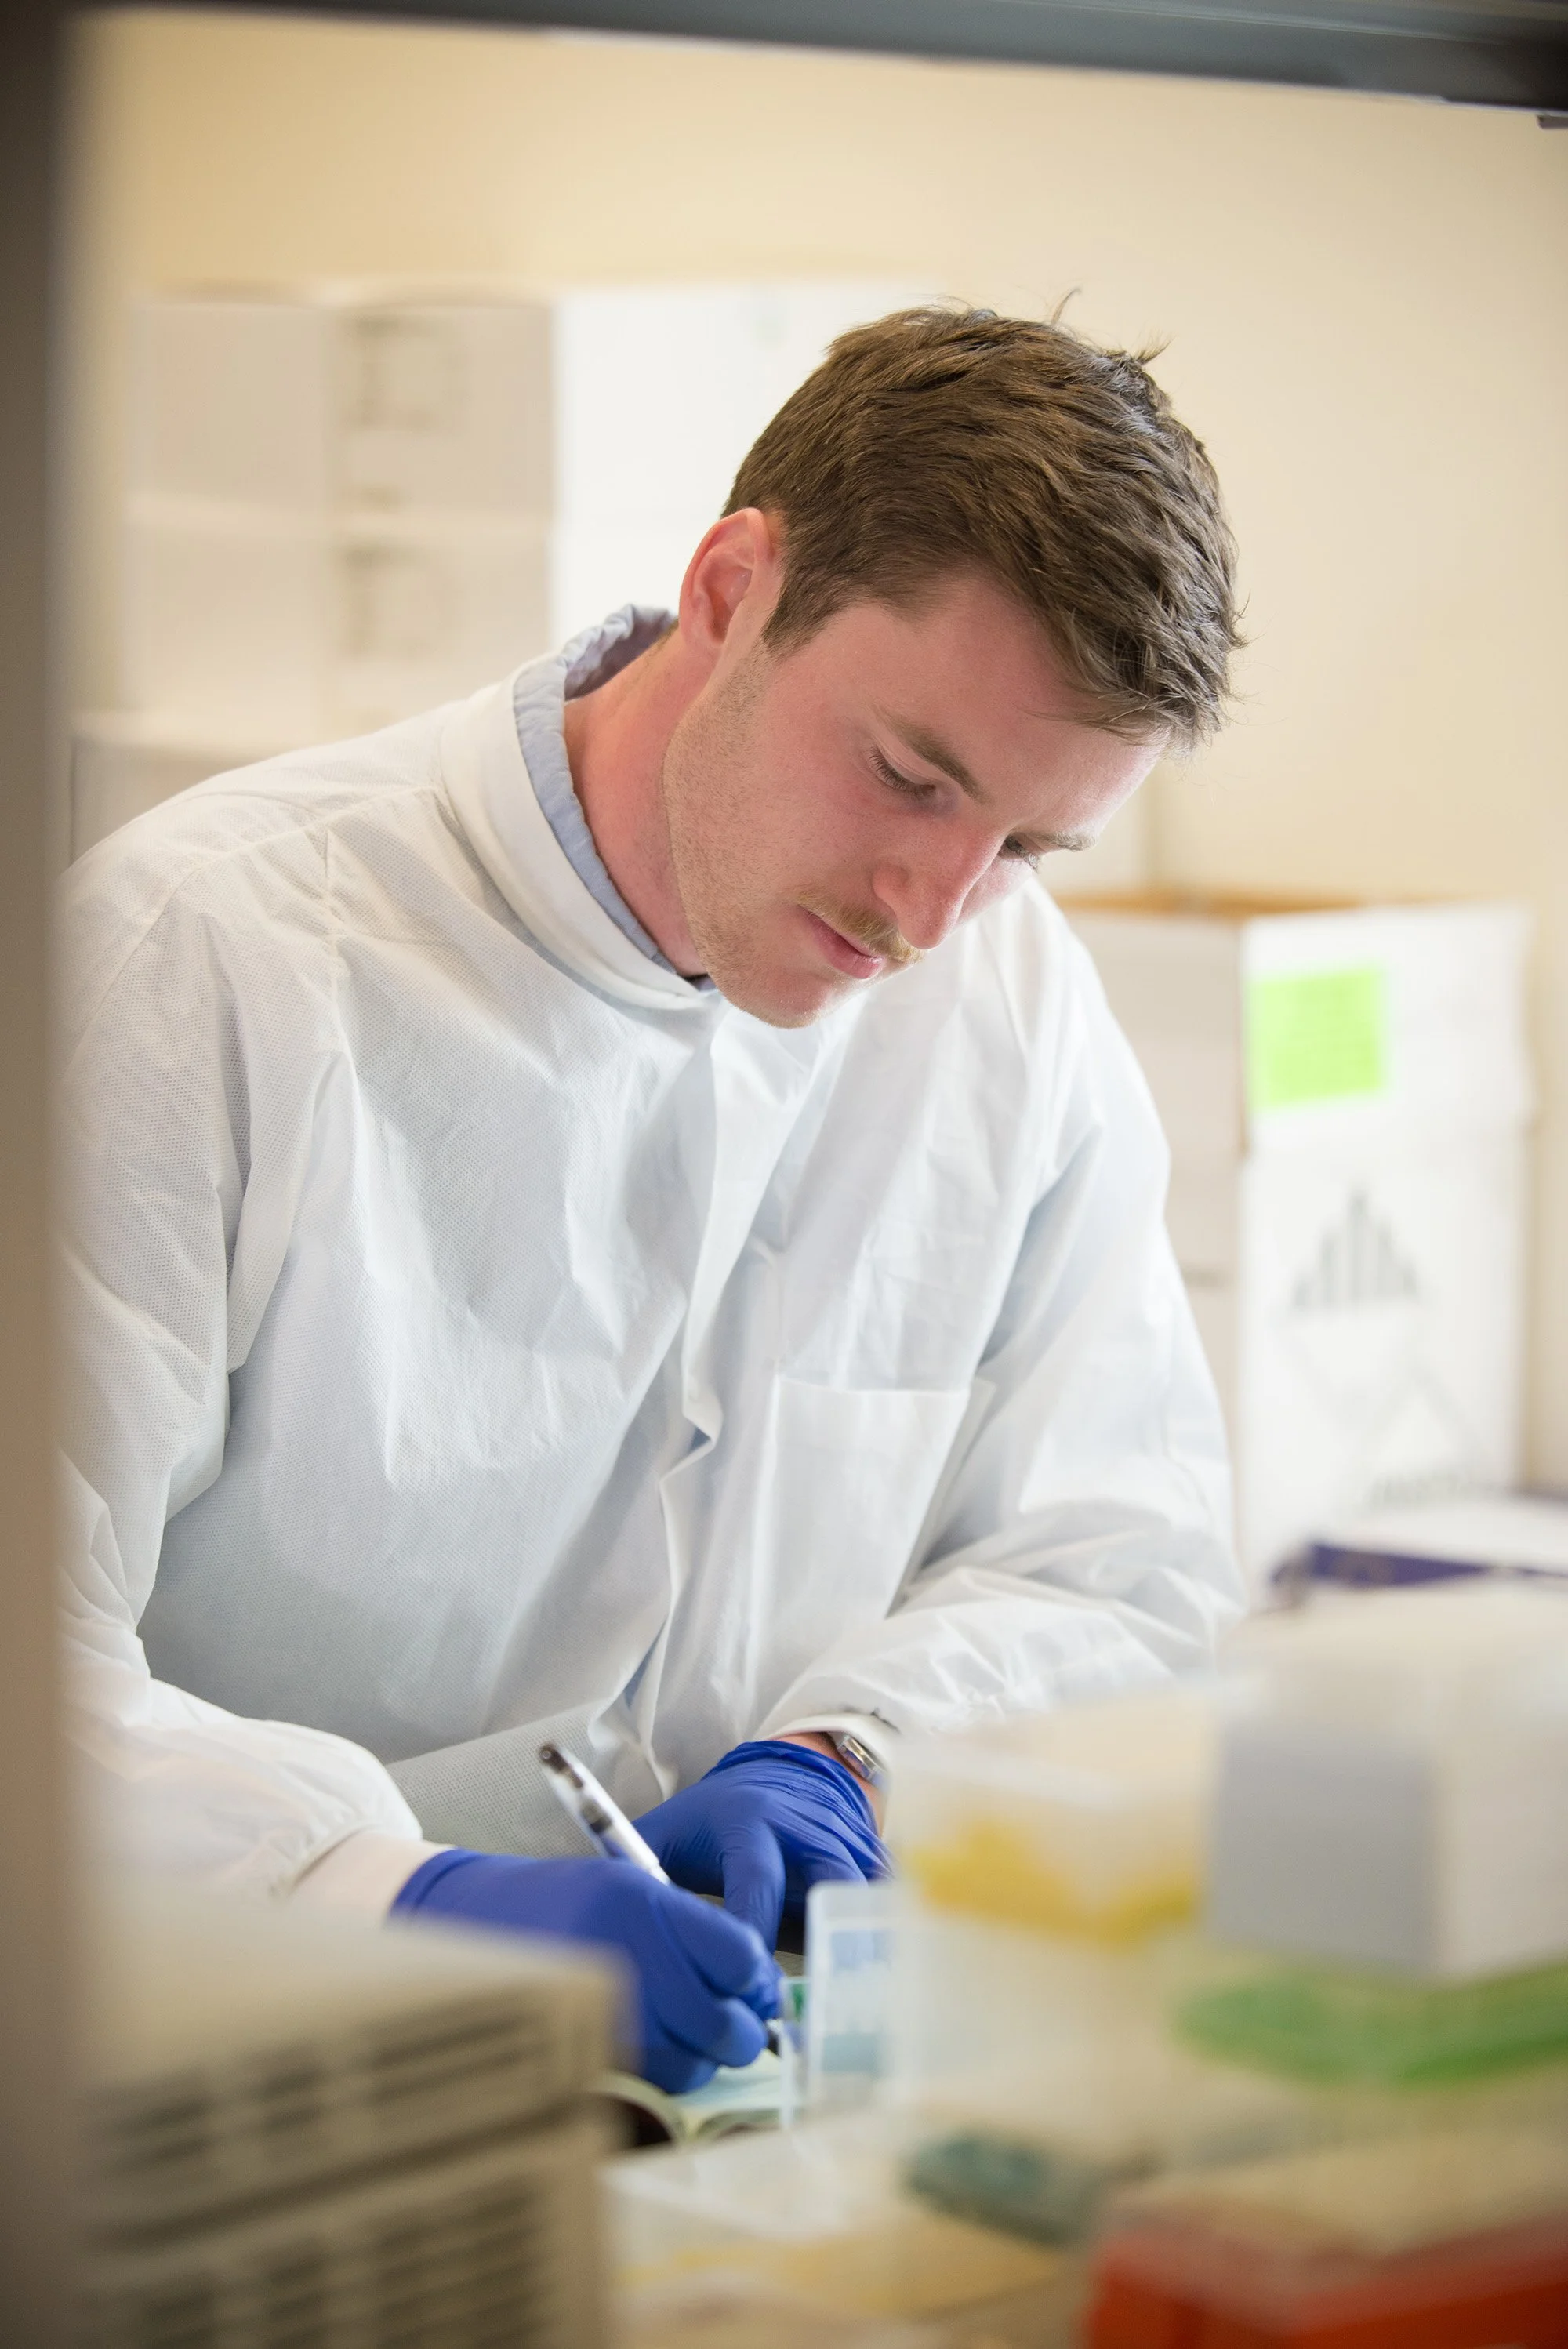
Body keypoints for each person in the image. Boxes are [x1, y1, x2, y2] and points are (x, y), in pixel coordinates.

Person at [60, 307, 1246, 2090]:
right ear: (728, 587)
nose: (927, 911)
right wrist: (384, 1891)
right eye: (909, 777)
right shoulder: (197, 958)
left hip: (733, 2083)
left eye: (1020, 846)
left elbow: (1121, 1551)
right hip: (232, 2059)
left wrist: (849, 1757)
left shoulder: (1007, 1006)